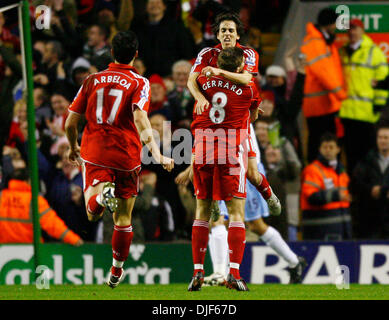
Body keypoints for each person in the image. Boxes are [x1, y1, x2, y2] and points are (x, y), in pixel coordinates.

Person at [64, 31, 174, 289]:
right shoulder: (140, 82)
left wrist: (72, 146)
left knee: (93, 215)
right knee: (123, 219)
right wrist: (156, 153)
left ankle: (101, 196)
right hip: (126, 156)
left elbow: (70, 122)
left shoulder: (91, 80)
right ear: (136, 55)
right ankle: (116, 270)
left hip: (95, 151)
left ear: (111, 53)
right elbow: (139, 117)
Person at [188, 11, 281, 216]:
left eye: (231, 30)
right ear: (218, 35)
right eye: (223, 31)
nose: (227, 34)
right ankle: (212, 203)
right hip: (211, 125)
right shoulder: (207, 54)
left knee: (252, 174)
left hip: (239, 125)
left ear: (238, 34)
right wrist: (200, 98)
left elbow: (247, 79)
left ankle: (269, 194)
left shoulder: (248, 54)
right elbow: (191, 80)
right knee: (201, 165)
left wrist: (219, 72)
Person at [186, 47, 257, 291]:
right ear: (239, 67)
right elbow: (253, 114)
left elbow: (192, 82)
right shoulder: (248, 88)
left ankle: (197, 271)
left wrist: (209, 80)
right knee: (236, 212)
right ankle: (234, 273)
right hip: (231, 149)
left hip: (204, 146)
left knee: (202, 210)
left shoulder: (204, 81)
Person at [339, 18, 389, 174]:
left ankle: (366, 192)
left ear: (362, 30)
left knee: (366, 155)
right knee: (350, 156)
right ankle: (354, 190)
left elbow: (383, 79)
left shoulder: (374, 52)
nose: (352, 32)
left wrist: (378, 104)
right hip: (347, 113)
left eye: (355, 29)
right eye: (349, 29)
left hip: (367, 114)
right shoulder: (342, 52)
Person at [300, 7, 347, 162]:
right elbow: (324, 72)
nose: (336, 27)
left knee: (324, 143)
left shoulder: (322, 40)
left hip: (324, 104)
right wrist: (340, 94)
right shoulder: (316, 42)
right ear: (328, 23)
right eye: (334, 23)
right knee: (320, 144)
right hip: (319, 106)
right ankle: (316, 177)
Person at [0, 167, 83, 246]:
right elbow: (53, 225)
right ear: (28, 181)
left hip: (3, 251)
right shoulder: (35, 200)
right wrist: (74, 239)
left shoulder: (1, 196)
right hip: (31, 252)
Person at [300, 133, 352, 240]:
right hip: (320, 230)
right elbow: (311, 197)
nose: (328, 150)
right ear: (320, 149)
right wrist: (335, 196)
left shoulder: (341, 171)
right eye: (325, 147)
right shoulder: (313, 170)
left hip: (342, 228)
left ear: (338, 149)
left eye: (331, 147)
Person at [131, 0, 195, 77]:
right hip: (144, 76)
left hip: (170, 77)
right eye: (151, 3)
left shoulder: (176, 28)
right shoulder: (137, 27)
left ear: (164, 7)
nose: (154, 5)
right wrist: (137, 60)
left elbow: (187, 52)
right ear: (146, 7)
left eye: (158, 2)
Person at [351, 121, 389, 239]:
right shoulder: (366, 161)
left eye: (386, 137)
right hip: (371, 221)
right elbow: (355, 184)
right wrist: (371, 190)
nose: (382, 141)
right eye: (380, 137)